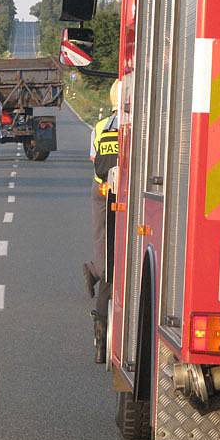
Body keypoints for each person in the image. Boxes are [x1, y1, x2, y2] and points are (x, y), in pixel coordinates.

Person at [84, 81, 120, 364]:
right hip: (129, 193)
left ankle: (101, 342)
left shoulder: (100, 126)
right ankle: (98, 272)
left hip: (102, 191)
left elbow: (94, 159)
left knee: (104, 246)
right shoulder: (138, 125)